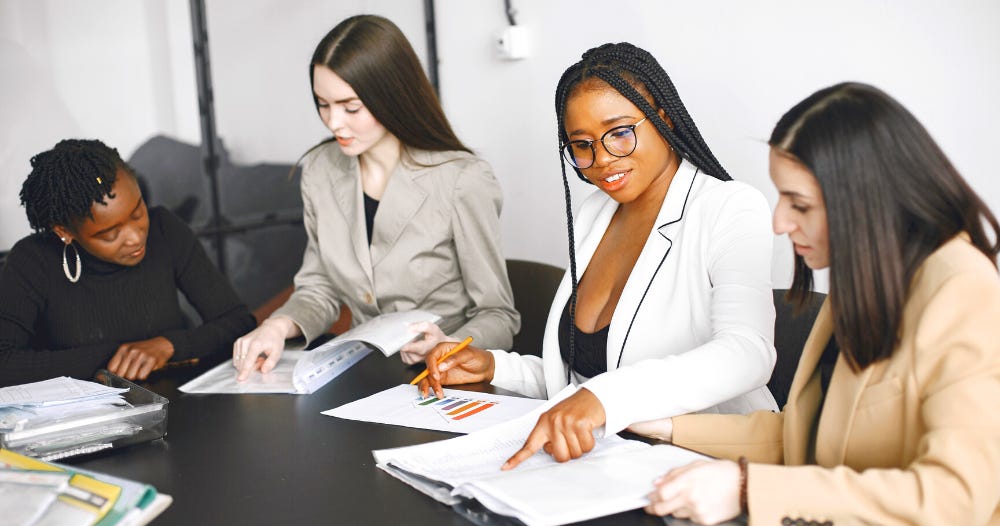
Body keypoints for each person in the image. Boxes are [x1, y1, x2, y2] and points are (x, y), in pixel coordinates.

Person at [641, 82, 1000, 526]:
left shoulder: (963, 290)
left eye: (800, 204)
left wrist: (749, 490)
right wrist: (659, 425)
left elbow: (953, 498)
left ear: (867, 200)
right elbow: (801, 436)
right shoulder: (866, 277)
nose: (779, 223)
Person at [421, 42, 778, 469]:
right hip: (608, 464)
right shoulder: (597, 212)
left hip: (707, 464)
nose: (602, 160)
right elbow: (588, 375)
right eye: (582, 144)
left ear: (663, 117)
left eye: (620, 132)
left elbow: (748, 354)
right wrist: (495, 367)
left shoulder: (727, 206)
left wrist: (605, 399)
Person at [232, 15, 519, 380]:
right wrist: (277, 326)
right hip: (364, 371)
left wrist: (451, 343)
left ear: (392, 98)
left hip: (445, 379)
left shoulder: (461, 179)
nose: (334, 122)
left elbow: (499, 315)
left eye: (351, 108)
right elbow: (319, 287)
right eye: (323, 104)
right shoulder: (321, 170)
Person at [0, 139, 256, 385]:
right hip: (82, 421)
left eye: (138, 212)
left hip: (179, 405)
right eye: (110, 234)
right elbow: (5, 363)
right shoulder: (33, 261)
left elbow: (237, 321)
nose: (135, 237)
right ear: (64, 231)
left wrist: (168, 346)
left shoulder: (165, 230)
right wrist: (116, 355)